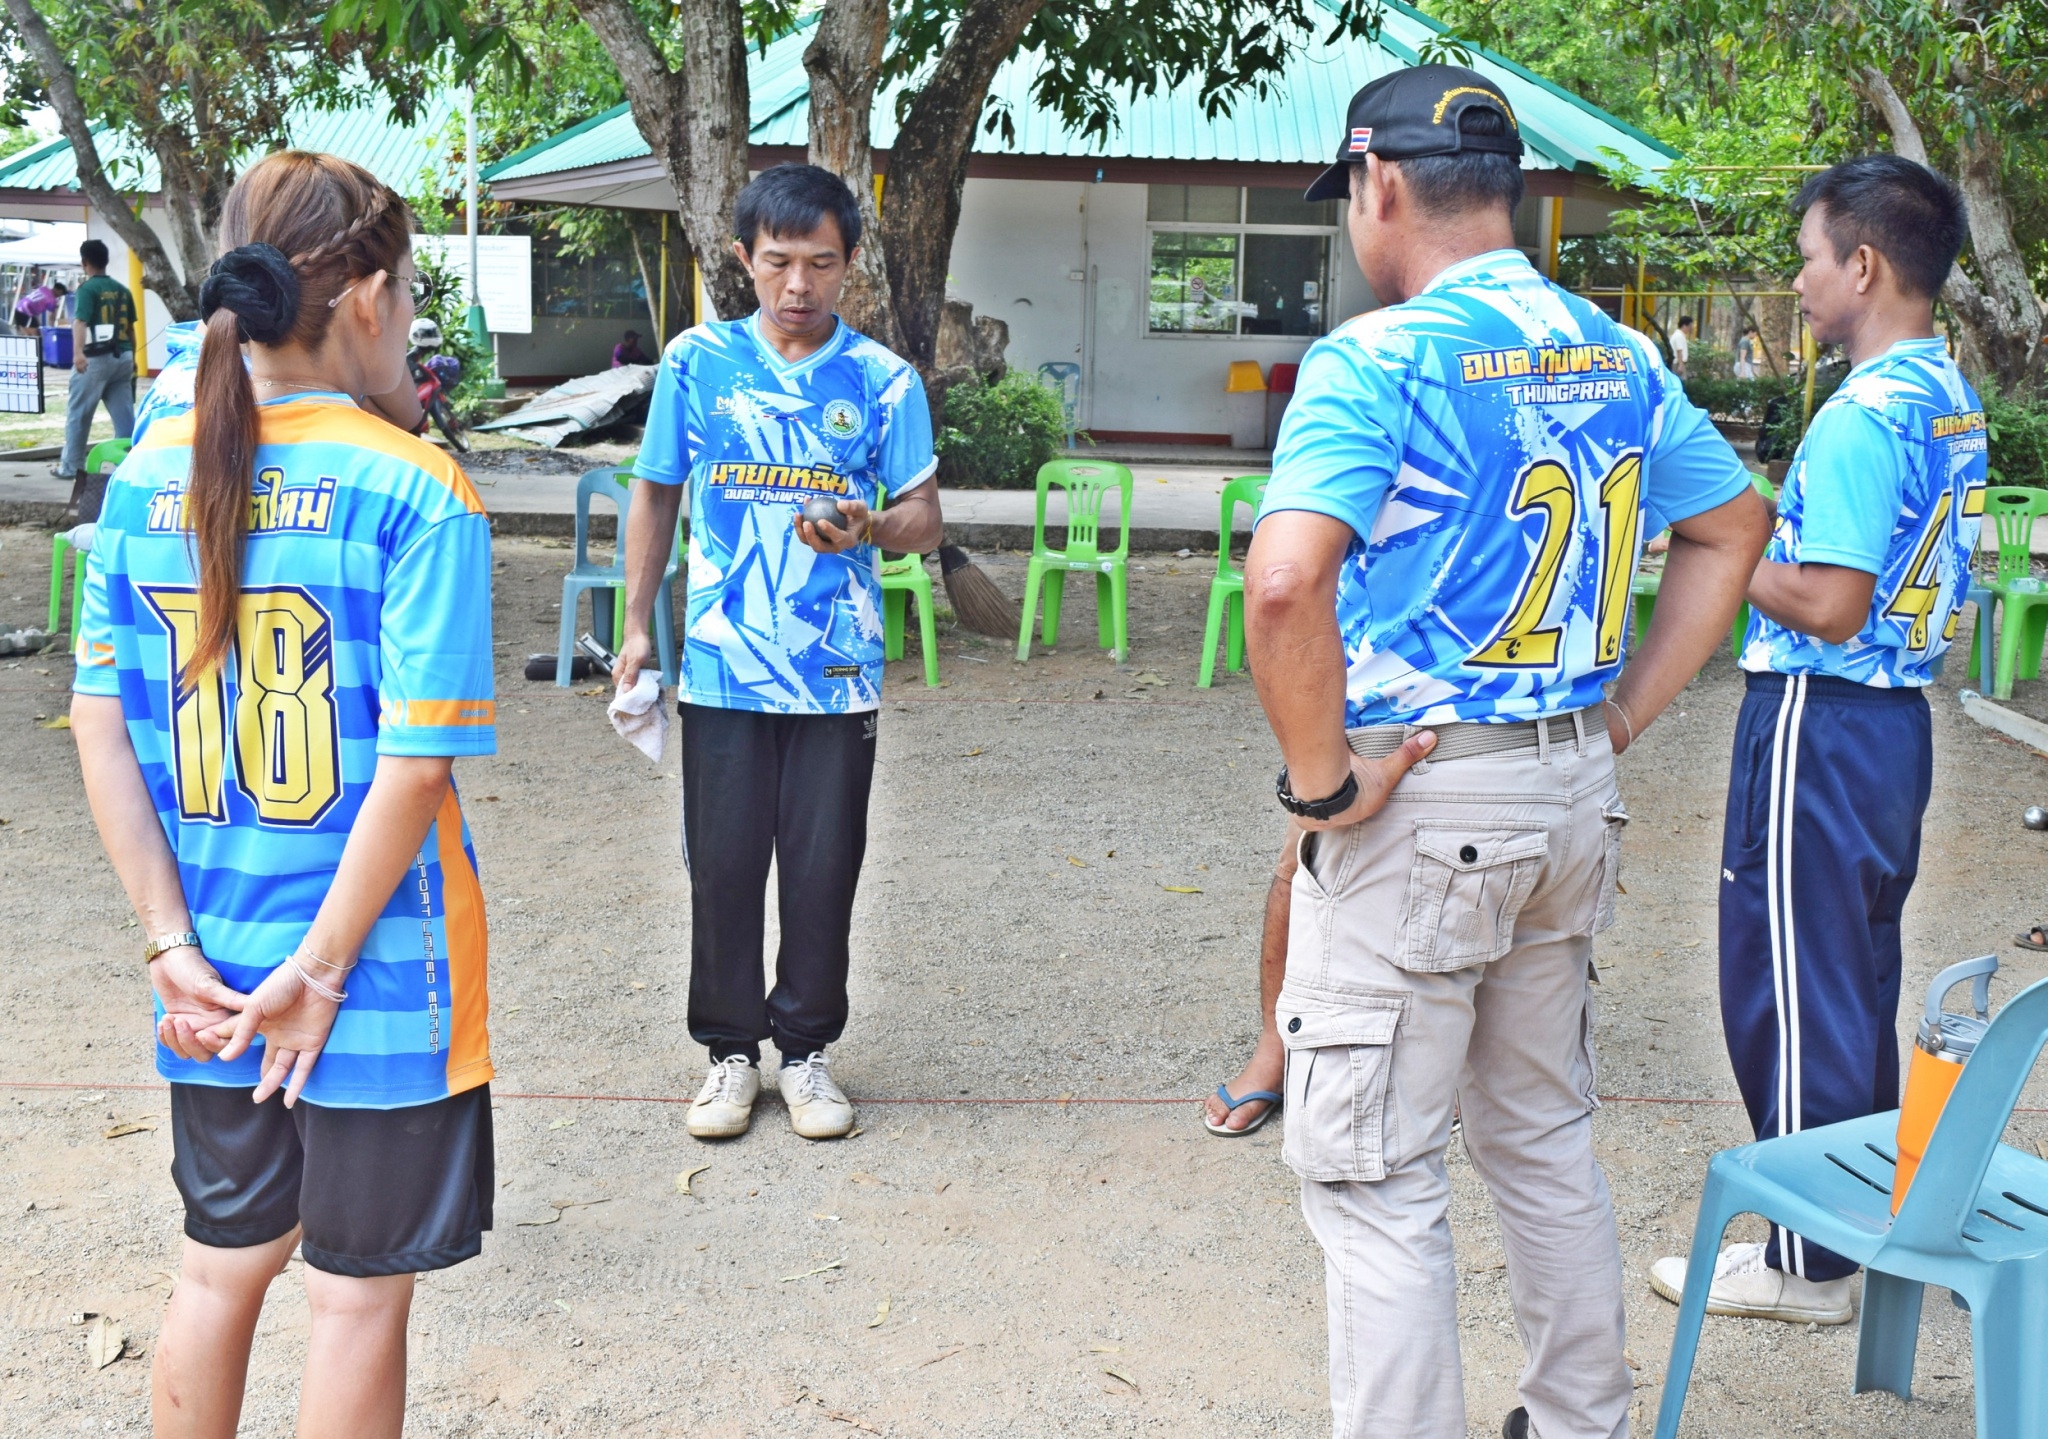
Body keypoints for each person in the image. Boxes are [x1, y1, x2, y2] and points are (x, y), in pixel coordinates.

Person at [1245, 64, 1770, 1439]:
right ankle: (1581, 1417)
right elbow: (1733, 524)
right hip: (1567, 783)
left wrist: (1321, 783)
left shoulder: (1377, 355)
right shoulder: (1619, 352)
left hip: (1424, 788)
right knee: (1539, 1135)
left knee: (1376, 1173)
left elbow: (1285, 582)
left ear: (1379, 183)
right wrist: (1621, 714)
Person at [69, 150, 497, 1438]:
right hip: (377, 974)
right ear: (364, 296)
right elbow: (414, 762)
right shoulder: (416, 487)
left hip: (210, 978)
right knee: (355, 1300)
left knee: (218, 1267)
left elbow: (99, 720)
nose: (410, 321)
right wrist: (318, 969)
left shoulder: (142, 476)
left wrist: (169, 942)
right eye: (410, 293)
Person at [1650, 155, 1986, 1327]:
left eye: (1805, 258)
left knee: (1788, 988)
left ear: (1863, 264)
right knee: (1848, 983)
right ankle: (1846, 1224)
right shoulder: (1941, 393)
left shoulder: (1857, 416)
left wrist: (1721, 543)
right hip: (1889, 728)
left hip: (1820, 717)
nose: (1795, 281)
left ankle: (1806, 1262)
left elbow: (1830, 603)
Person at [611, 163, 943, 1143]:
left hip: (834, 671)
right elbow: (656, 491)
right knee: (720, 867)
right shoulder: (696, 362)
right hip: (721, 661)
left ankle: (803, 1053)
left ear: (851, 263)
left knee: (820, 868)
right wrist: (638, 625)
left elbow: (925, 518)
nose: (798, 285)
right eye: (778, 261)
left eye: (821, 263)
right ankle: (728, 1054)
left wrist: (870, 525)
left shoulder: (882, 380)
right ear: (742, 257)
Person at [57, 240, 136, 486]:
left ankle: (71, 467)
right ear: (106, 261)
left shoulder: (87, 289)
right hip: (123, 357)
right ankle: (129, 464)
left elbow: (80, 322)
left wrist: (78, 354)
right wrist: (133, 358)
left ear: (84, 262)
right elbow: (131, 329)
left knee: (78, 415)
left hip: (95, 360)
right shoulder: (122, 290)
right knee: (125, 418)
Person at [1670, 314, 1694, 378]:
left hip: (1678, 363)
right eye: (1689, 326)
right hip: (1678, 364)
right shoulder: (1679, 336)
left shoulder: (1679, 335)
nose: (1690, 329)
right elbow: (1679, 350)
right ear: (1684, 326)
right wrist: (1681, 365)